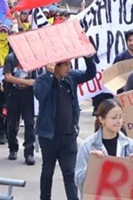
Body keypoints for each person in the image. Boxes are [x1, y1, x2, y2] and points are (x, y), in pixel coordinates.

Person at [34, 51, 97, 200]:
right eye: (65, 65)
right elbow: (39, 95)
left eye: (70, 64)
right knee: (48, 171)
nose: (69, 68)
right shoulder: (43, 80)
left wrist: (89, 59)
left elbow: (90, 74)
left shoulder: (71, 77)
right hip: (48, 136)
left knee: (70, 173)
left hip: (68, 135)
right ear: (55, 66)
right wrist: (49, 75)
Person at [75, 99, 133, 194]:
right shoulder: (88, 145)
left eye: (120, 117)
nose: (118, 121)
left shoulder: (129, 144)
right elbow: (79, 182)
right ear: (102, 120)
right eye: (114, 118)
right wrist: (92, 164)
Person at [3, 49, 38, 165]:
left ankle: (29, 152)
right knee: (12, 124)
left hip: (27, 95)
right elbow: (8, 77)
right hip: (12, 94)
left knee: (29, 123)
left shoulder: (31, 57)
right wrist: (27, 82)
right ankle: (13, 148)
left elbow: (35, 76)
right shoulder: (10, 58)